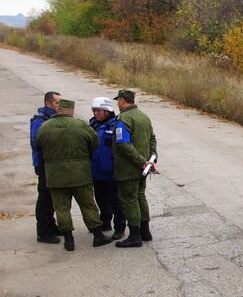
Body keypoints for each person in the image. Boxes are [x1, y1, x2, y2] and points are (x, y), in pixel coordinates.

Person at [36, 98, 114, 251]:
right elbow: (94, 143)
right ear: (71, 111)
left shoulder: (44, 127)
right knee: (88, 205)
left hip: (55, 177)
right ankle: (98, 236)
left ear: (58, 110)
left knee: (62, 208)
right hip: (80, 175)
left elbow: (38, 146)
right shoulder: (80, 125)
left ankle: (69, 240)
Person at [112, 90, 157, 248]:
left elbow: (123, 144)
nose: (117, 103)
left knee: (129, 200)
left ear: (123, 101)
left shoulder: (123, 119)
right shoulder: (143, 116)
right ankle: (145, 232)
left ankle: (135, 236)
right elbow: (152, 138)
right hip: (143, 168)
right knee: (140, 196)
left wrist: (141, 162)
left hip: (128, 169)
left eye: (118, 101)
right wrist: (152, 158)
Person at [89, 97, 127, 240]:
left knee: (116, 202)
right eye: (94, 110)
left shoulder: (116, 125)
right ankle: (105, 222)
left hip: (112, 172)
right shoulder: (92, 124)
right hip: (96, 171)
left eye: (98, 110)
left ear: (107, 111)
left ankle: (120, 227)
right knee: (100, 198)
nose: (96, 113)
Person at [30, 91, 61, 244]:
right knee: (44, 198)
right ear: (48, 103)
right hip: (44, 164)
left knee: (51, 197)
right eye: (57, 103)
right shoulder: (39, 120)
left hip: (52, 164)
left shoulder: (51, 119)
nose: (59, 106)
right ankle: (43, 232)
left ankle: (51, 225)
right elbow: (36, 143)